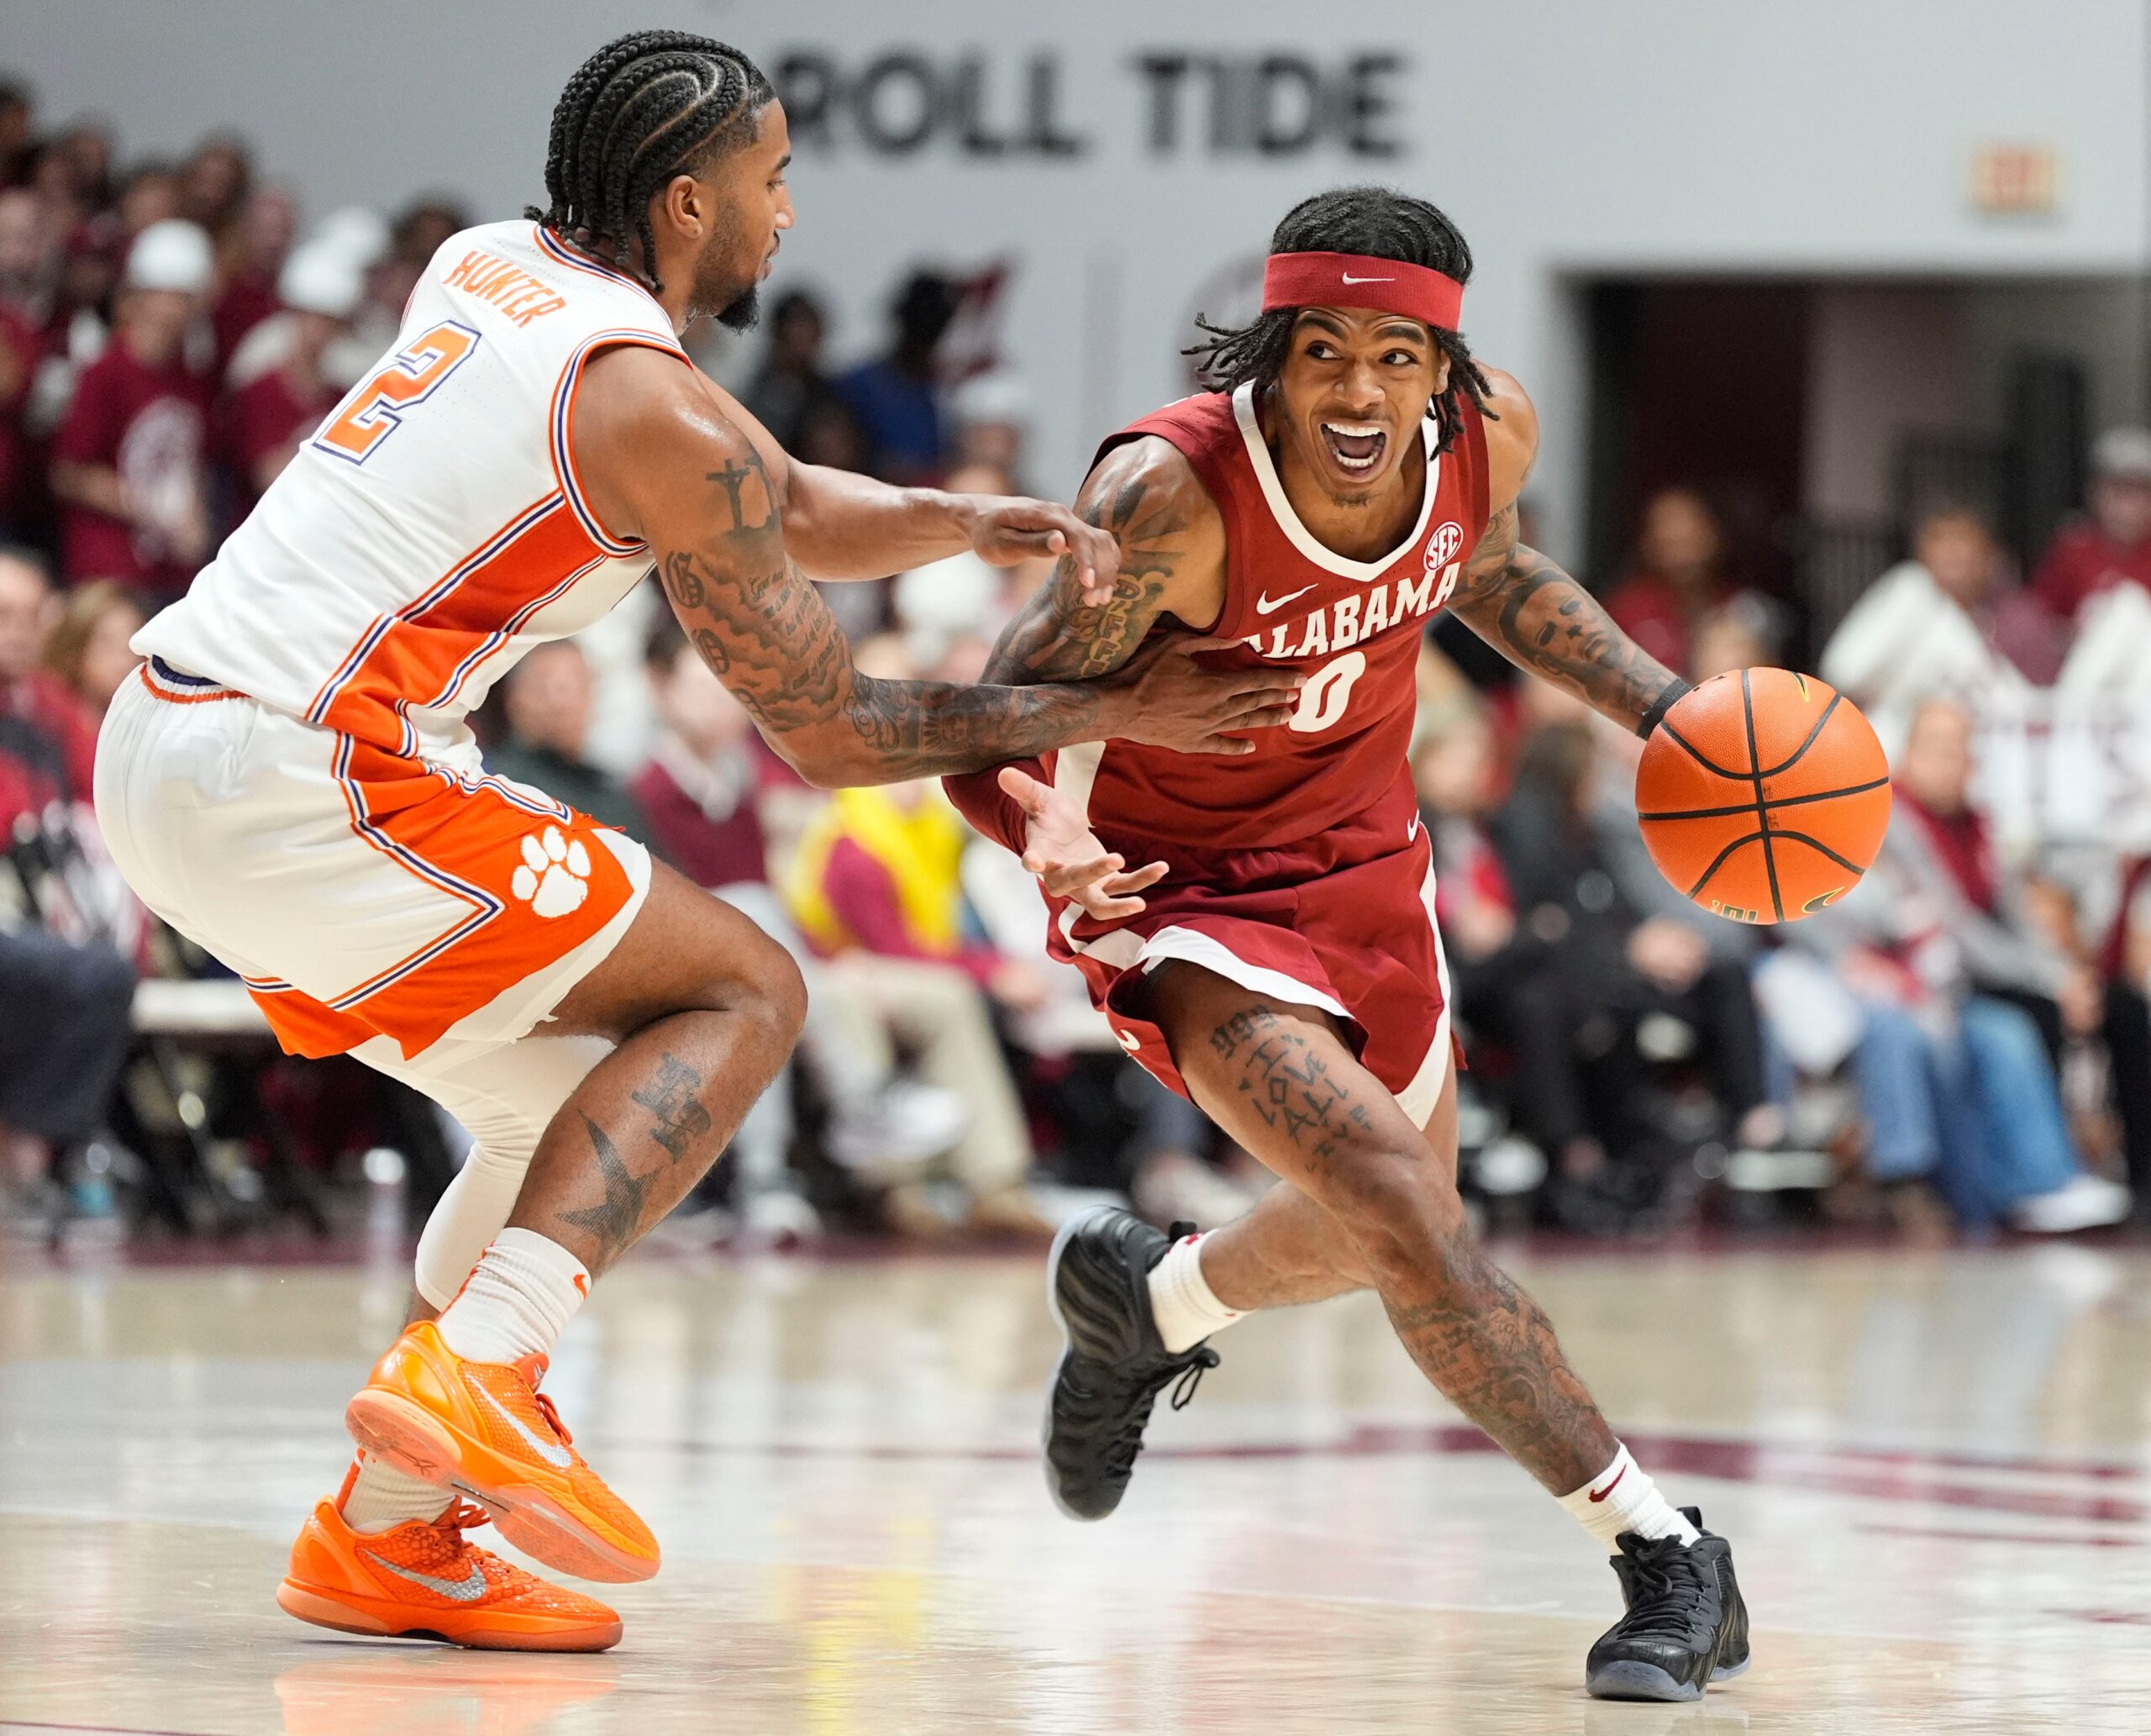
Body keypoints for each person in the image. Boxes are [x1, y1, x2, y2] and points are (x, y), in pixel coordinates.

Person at [92, 31, 1286, 1654]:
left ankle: (388, 1532)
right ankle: (482, 1372)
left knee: (557, 1115)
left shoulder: (492, 263)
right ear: (686, 200)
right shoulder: (651, 407)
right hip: (308, 767)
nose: (788, 213)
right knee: (746, 988)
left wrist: (956, 517)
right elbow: (829, 731)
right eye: (772, 179)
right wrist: (1114, 710)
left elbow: (768, 493)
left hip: (171, 737)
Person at [945, 187, 1749, 1703]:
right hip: (1177, 886)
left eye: (1395, 356)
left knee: (1379, 1221)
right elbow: (986, 714)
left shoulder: (1486, 435)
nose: (1360, 391)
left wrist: (1663, 710)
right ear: (1274, 355)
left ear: (1444, 367)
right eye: (1324, 352)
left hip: (1366, 861)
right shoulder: (1170, 497)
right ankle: (1665, 1550)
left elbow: (1487, 573)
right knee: (1400, 1202)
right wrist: (1038, 827)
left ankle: (1150, 1307)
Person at [50, 218, 213, 597]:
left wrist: (195, 521)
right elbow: (69, 473)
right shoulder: (105, 372)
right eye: (167, 295)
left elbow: (188, 462)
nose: (175, 309)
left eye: (185, 297)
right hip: (108, 572)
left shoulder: (191, 376)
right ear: (140, 297)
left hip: (170, 571)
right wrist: (156, 511)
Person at [1601, 487, 1743, 677]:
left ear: (1714, 536)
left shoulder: (1743, 608)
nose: (1682, 557)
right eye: (1670, 541)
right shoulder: (1625, 612)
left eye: (1690, 540)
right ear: (1648, 543)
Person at [835, 269, 956, 481]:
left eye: (933, 329)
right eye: (919, 326)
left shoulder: (947, 392)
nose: (923, 342)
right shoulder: (856, 387)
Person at [2031, 425, 2151, 629]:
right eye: (2118, 491)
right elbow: (2040, 618)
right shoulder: (2073, 549)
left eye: (2138, 492)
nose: (2127, 505)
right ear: (2096, 493)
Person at [43, 577, 145, 716]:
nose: (126, 660)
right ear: (75, 650)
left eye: (131, 646)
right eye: (108, 644)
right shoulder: (46, 718)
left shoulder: (149, 720)